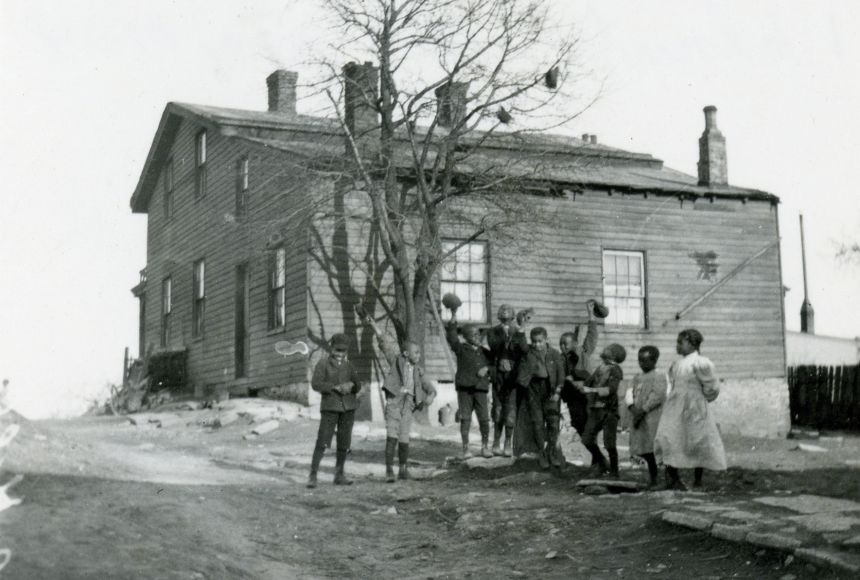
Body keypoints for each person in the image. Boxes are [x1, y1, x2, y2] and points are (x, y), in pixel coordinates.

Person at [363, 314, 436, 482]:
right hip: (394, 403)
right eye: (416, 352)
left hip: (408, 406)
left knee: (404, 436)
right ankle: (389, 470)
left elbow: (428, 386)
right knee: (392, 434)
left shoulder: (418, 370)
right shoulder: (397, 361)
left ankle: (403, 470)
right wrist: (375, 327)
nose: (419, 354)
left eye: (419, 352)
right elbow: (385, 344)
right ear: (405, 353)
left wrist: (431, 395)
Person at [654, 329, 727, 490]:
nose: (677, 346)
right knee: (670, 436)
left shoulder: (701, 363)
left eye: (681, 343)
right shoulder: (676, 365)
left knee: (697, 438)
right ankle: (673, 477)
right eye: (677, 343)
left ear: (692, 344)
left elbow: (712, 386)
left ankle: (698, 480)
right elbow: (672, 385)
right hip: (675, 406)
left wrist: (702, 399)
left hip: (694, 406)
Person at [308, 333, 363, 488]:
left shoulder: (349, 366)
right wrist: (333, 387)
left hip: (348, 408)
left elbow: (358, 385)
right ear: (331, 348)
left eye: (343, 351)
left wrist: (352, 385)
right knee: (323, 441)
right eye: (337, 350)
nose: (340, 354)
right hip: (330, 407)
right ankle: (313, 475)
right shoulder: (323, 364)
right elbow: (315, 384)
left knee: (344, 442)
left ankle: (339, 474)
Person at [445, 306, 494, 460]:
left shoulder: (485, 352)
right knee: (465, 418)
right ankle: (465, 449)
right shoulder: (461, 349)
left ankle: (485, 447)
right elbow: (452, 337)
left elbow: (495, 366)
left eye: (478, 334)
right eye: (473, 334)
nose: (477, 336)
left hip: (480, 389)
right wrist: (453, 320)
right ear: (466, 337)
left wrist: (487, 368)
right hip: (464, 390)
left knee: (484, 419)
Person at [515, 327, 566, 469]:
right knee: (537, 423)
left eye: (540, 341)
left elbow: (561, 375)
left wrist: (557, 391)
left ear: (546, 340)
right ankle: (541, 453)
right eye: (534, 342)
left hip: (550, 391)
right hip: (533, 390)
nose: (537, 344)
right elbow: (521, 342)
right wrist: (521, 326)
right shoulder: (528, 352)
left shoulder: (555, 354)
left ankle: (552, 452)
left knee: (553, 423)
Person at [486, 304, 527, 456]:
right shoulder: (493, 331)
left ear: (513, 315)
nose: (505, 312)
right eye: (502, 310)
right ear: (498, 314)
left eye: (508, 310)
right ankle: (496, 441)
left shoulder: (518, 330)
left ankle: (508, 442)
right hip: (499, 376)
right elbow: (494, 347)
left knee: (510, 411)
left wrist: (520, 331)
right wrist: (507, 337)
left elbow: (523, 350)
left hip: (512, 377)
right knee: (497, 409)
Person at [580, 343, 626, 477]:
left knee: (609, 443)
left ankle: (614, 471)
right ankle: (601, 462)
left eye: (608, 349)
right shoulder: (600, 367)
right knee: (587, 439)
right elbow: (588, 381)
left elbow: (611, 390)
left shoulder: (616, 370)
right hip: (595, 409)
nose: (604, 349)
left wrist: (592, 390)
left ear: (614, 355)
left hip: (609, 411)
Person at [626, 346, 668, 487]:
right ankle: (653, 477)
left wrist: (643, 410)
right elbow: (629, 392)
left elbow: (657, 396)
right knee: (644, 449)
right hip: (638, 416)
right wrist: (632, 408)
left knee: (654, 447)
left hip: (652, 418)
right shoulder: (637, 377)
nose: (642, 363)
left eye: (645, 360)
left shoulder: (659, 376)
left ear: (654, 360)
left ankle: (663, 478)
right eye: (640, 360)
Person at [560, 301, 599, 438]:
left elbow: (592, 335)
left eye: (566, 344)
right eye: (561, 344)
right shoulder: (561, 358)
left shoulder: (583, 352)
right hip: (572, 396)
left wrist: (590, 315)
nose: (563, 347)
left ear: (575, 344)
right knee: (577, 421)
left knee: (588, 420)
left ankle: (590, 442)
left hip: (585, 393)